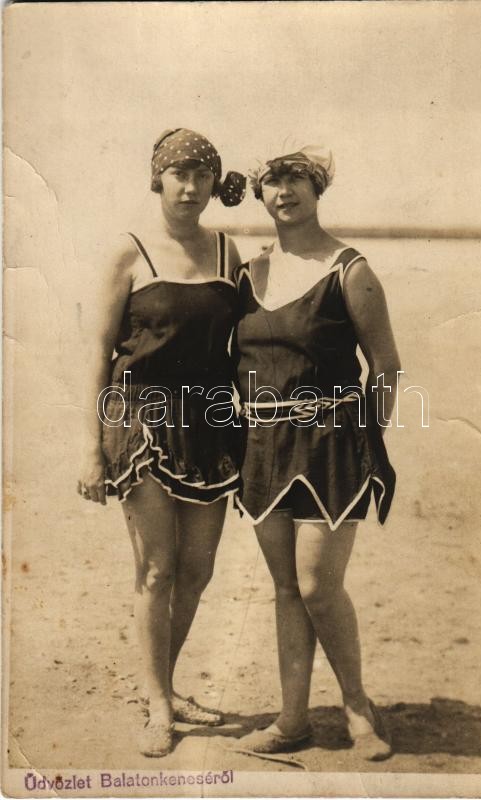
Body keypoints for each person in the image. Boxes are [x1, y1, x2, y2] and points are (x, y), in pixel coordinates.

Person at [77, 128, 245, 757]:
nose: (191, 187)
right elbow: (96, 351)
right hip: (141, 419)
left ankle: (162, 685)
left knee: (197, 571)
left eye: (203, 176)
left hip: (210, 425)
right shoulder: (130, 252)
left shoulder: (231, 255)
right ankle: (157, 704)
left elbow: (252, 345)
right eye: (179, 174)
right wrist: (91, 445)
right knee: (157, 568)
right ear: (158, 179)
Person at [231, 143, 400, 760]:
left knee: (317, 585)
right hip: (263, 445)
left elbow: (385, 366)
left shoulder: (350, 269)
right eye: (272, 182)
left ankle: (358, 710)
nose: (284, 191)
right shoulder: (248, 274)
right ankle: (293, 719)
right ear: (260, 196)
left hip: (332, 443)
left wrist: (367, 443)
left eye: (296, 179)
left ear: (316, 189)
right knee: (285, 589)